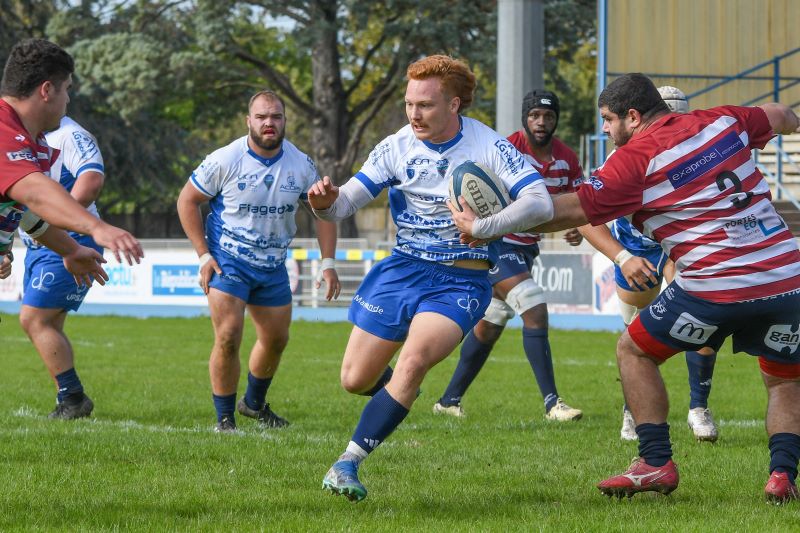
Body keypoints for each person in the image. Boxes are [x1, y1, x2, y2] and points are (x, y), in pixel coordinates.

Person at [451, 72, 800, 503]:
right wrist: (791, 124)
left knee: (633, 351)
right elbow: (781, 114)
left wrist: (486, 225)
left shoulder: (633, 161)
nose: (603, 129)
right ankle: (782, 475)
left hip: (715, 284)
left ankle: (655, 463)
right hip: (787, 279)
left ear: (632, 117)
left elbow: (563, 211)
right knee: (784, 381)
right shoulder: (723, 120)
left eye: (607, 119)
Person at [309, 55, 554, 502]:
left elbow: (541, 203)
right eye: (409, 104)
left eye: (424, 105)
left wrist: (482, 228)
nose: (414, 114)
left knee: (413, 361)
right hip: (402, 270)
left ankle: (347, 463)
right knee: (354, 379)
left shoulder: (489, 146)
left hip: (460, 280)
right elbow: (343, 205)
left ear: (454, 105)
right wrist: (324, 202)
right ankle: (395, 398)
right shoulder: (395, 147)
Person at [177, 89, 341, 433]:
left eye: (277, 117)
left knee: (277, 340)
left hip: (272, 265)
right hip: (228, 262)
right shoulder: (225, 159)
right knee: (228, 335)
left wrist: (328, 263)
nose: (270, 123)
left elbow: (324, 212)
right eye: (262, 117)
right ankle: (225, 418)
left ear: (284, 121)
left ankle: (253, 404)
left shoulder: (301, 164)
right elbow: (187, 201)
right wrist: (204, 255)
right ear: (249, 121)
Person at [432, 89, 583, 421]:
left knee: (490, 323)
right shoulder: (506, 148)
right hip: (497, 246)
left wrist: (574, 227)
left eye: (548, 116)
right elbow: (473, 189)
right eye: (534, 116)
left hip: (527, 249)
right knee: (533, 306)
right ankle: (552, 404)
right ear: (524, 118)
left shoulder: (568, 159)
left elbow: (577, 202)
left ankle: (448, 400)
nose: (541, 122)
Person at [579, 86, 719, 442]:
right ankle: (632, 407)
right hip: (635, 248)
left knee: (701, 321)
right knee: (634, 336)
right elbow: (584, 214)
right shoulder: (620, 162)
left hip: (676, 247)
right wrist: (623, 257)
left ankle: (698, 407)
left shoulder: (695, 152)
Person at [0, 39, 143, 270]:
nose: (67, 99)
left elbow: (29, 213)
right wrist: (97, 227)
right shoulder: (3, 131)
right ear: (46, 90)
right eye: (66, 89)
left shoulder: (34, 142)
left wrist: (71, 249)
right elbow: (36, 193)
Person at [18, 115, 107, 420]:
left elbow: (91, 180)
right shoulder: (20, 138)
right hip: (37, 245)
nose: (66, 97)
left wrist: (54, 223)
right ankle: (67, 399)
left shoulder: (71, 134)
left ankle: (73, 397)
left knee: (33, 320)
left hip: (72, 241)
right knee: (48, 325)